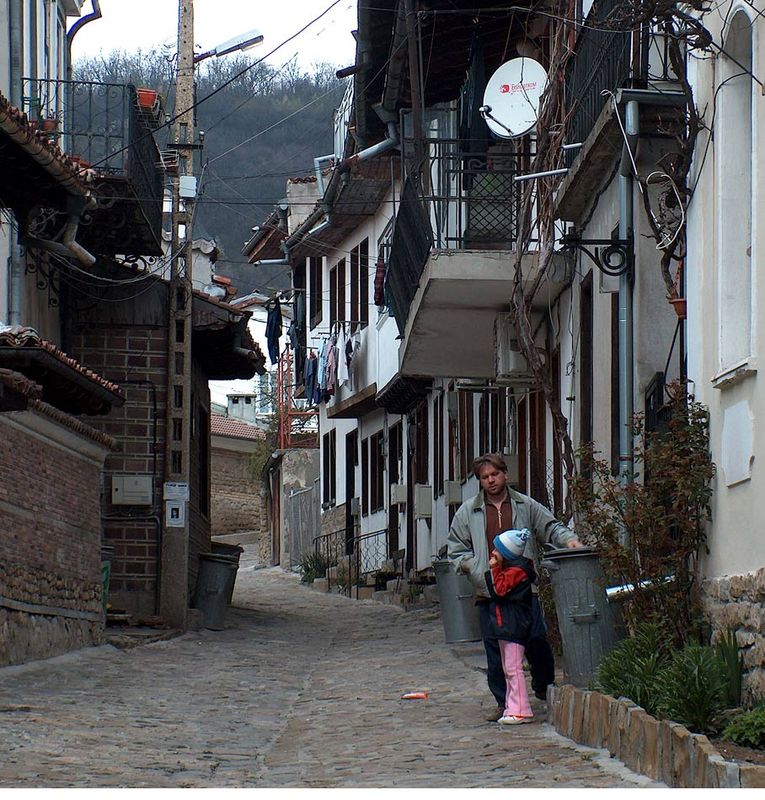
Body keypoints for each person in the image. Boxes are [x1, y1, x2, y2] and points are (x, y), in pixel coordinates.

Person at [447, 453, 581, 722]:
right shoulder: (469, 512)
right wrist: (477, 570)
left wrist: (569, 540)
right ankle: (503, 701)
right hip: (489, 591)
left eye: (494, 474)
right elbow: (456, 549)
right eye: (485, 477)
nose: (491, 480)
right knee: (495, 649)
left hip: (522, 589)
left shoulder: (524, 505)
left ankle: (543, 687)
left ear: (505, 474)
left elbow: (550, 527)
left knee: (536, 641)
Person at [486, 528, 536, 726]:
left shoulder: (516, 572)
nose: (493, 553)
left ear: (506, 554)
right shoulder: (513, 570)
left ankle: (521, 709)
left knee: (513, 668)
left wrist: (494, 569)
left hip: (513, 626)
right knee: (509, 668)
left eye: (497, 550)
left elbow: (499, 589)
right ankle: (512, 706)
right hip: (506, 625)